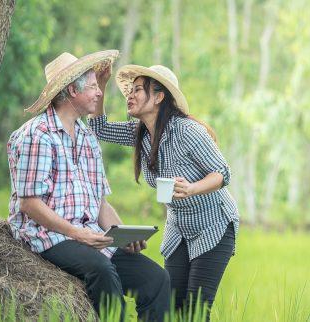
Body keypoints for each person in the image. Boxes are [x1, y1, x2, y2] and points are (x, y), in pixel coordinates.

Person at [6, 51, 169, 321]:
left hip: (88, 235)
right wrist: (78, 234)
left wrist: (124, 233)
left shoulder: (87, 137)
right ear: (72, 90)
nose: (98, 93)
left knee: (156, 279)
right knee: (102, 270)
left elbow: (100, 202)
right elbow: (30, 204)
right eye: (93, 86)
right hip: (48, 235)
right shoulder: (37, 135)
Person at [88, 64, 239, 320]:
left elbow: (222, 173)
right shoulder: (141, 134)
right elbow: (98, 129)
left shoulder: (187, 131)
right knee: (170, 307)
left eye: (138, 90)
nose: (130, 96)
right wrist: (101, 85)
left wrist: (192, 188)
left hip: (213, 225)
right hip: (179, 228)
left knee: (195, 312)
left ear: (158, 97)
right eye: (130, 91)